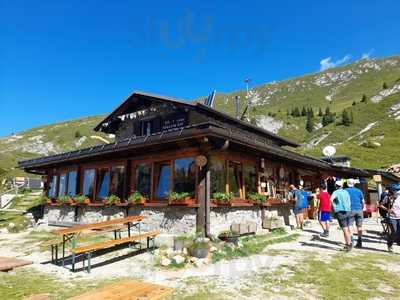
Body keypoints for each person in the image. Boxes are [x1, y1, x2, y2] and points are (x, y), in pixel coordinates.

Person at [330, 180, 353, 251]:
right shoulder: (346, 192)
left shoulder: (335, 192)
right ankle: (349, 242)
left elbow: (331, 199)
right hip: (348, 211)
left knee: (345, 229)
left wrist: (334, 206)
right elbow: (349, 200)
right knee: (348, 227)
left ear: (336, 186)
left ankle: (349, 244)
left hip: (340, 211)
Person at [346, 178, 365, 248]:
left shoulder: (345, 191)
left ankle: (352, 240)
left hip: (350, 210)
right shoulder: (359, 191)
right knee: (359, 226)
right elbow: (363, 201)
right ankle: (359, 241)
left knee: (350, 225)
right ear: (354, 184)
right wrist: (361, 208)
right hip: (359, 209)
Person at [381, 184, 400, 252]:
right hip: (392, 217)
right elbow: (380, 205)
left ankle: (396, 242)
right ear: (393, 191)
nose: (398, 191)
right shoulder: (388, 197)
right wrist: (388, 210)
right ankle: (390, 244)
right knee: (394, 231)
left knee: (398, 232)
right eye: (397, 190)